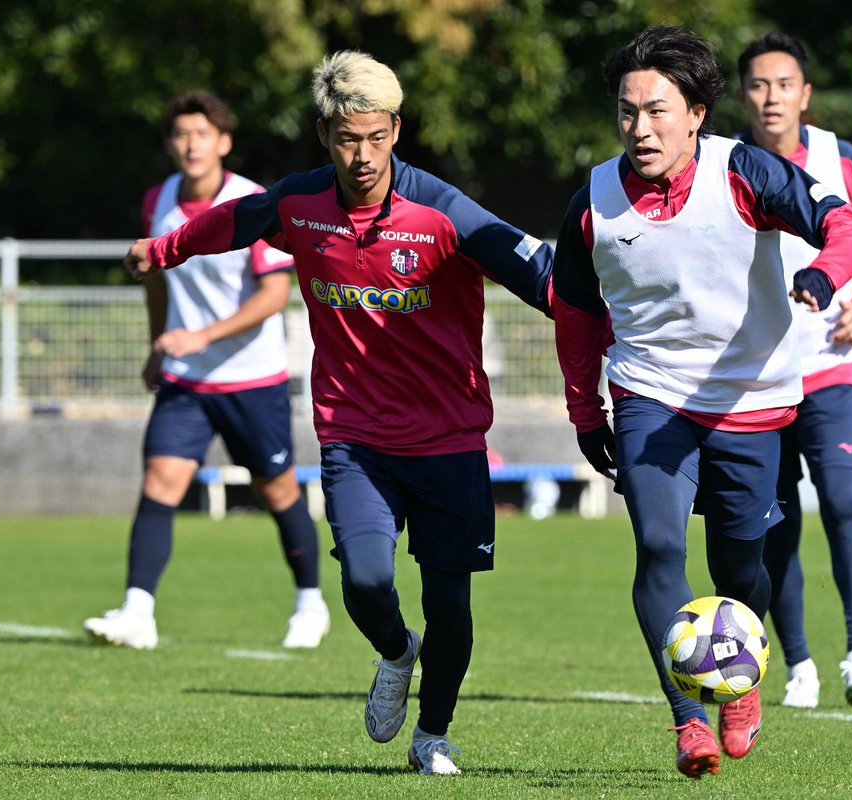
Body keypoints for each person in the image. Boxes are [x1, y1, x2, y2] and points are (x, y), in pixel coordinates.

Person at [123, 52, 553, 776]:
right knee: (364, 580)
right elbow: (228, 221)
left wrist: (608, 311)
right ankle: (394, 652)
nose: (363, 154)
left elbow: (539, 277)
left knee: (449, 603)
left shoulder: (444, 210)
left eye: (377, 137)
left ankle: (433, 736)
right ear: (325, 134)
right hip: (355, 436)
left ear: (396, 130)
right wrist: (163, 250)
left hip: (449, 439)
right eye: (348, 138)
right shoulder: (299, 204)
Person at [552, 26, 852, 779]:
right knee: (659, 547)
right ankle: (688, 718)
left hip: (750, 402)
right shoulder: (593, 200)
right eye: (627, 112)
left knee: (741, 565)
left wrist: (824, 274)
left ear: (696, 113)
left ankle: (741, 683)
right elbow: (575, 312)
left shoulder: (745, 171)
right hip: (651, 396)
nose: (640, 128)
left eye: (658, 111)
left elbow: (845, 225)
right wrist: (585, 411)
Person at [84, 90, 330, 652]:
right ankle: (138, 612)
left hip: (253, 378)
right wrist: (158, 346)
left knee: (278, 490)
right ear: (170, 144)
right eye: (180, 134)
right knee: (159, 484)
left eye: (202, 134)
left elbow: (273, 296)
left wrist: (201, 335)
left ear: (223, 142)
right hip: (186, 381)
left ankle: (310, 602)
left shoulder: (253, 201)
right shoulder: (158, 199)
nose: (190, 144)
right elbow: (156, 276)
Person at [735, 32, 852, 709]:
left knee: (840, 498)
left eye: (784, 84)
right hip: (756, 375)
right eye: (757, 84)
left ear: (805, 94)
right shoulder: (727, 166)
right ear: (741, 95)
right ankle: (798, 663)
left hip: (831, 363)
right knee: (776, 521)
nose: (771, 97)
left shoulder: (843, 159)